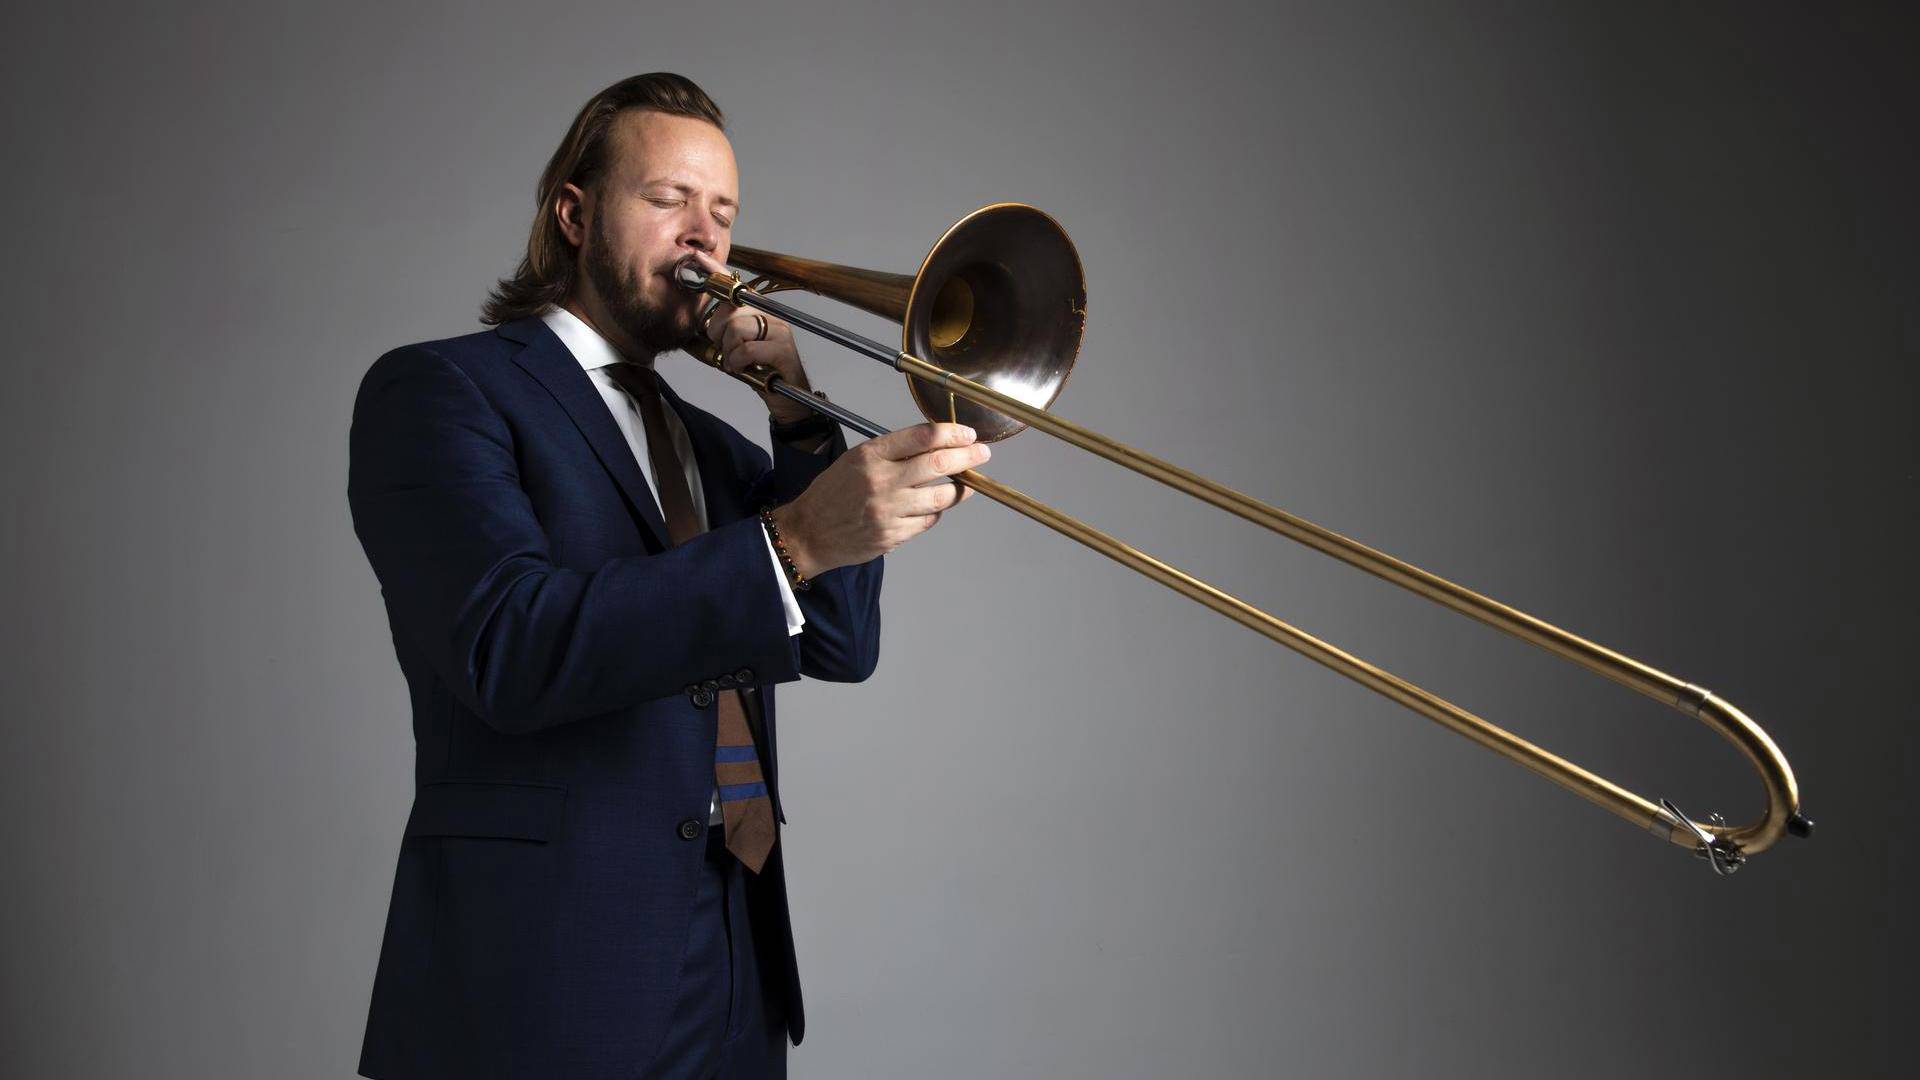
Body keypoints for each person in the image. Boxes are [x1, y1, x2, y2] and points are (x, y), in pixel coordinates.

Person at [348, 72, 989, 1079]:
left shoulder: (710, 446)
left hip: (738, 956)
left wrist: (800, 416)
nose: (704, 238)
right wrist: (790, 544)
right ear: (574, 213)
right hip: (548, 970)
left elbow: (837, 645)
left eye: (723, 214)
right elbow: (506, 646)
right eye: (667, 200)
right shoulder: (442, 390)